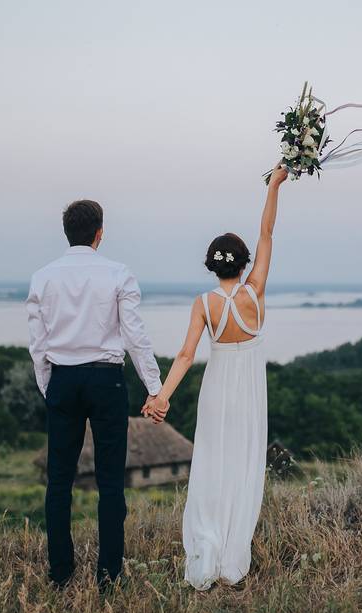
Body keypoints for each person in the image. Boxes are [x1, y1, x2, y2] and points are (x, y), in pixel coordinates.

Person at [143, 164, 288, 589]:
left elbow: (187, 354)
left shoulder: (204, 303)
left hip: (217, 388)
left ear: (212, 266)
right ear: (243, 264)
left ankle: (208, 547)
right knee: (243, 466)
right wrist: (274, 186)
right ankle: (232, 555)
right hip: (249, 392)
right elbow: (266, 233)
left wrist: (162, 397)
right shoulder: (255, 292)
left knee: (211, 465)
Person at [26, 199, 164, 591]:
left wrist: (48, 386)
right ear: (99, 233)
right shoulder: (118, 274)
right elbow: (135, 336)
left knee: (59, 482)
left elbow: (38, 345)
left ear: (67, 233)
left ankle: (61, 574)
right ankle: (109, 576)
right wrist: (155, 389)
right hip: (106, 382)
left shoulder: (43, 277)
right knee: (110, 482)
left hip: (63, 382)